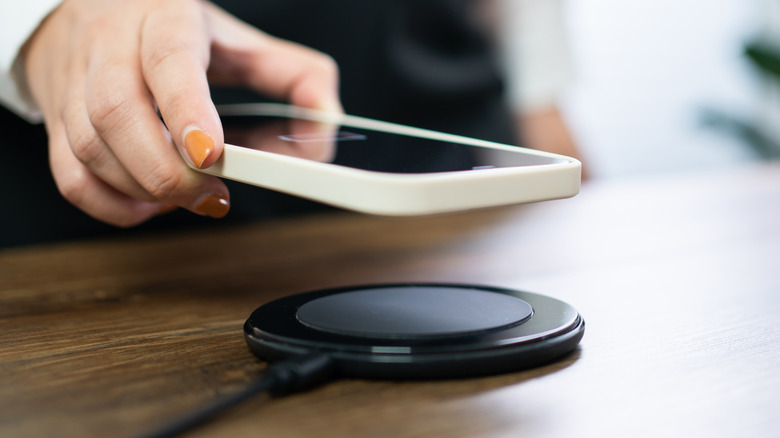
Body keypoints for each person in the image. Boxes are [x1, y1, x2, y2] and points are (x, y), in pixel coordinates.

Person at [0, 0, 582, 247]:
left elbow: (534, 63)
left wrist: (543, 105)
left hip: (470, 230)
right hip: (111, 263)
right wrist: (43, 19)